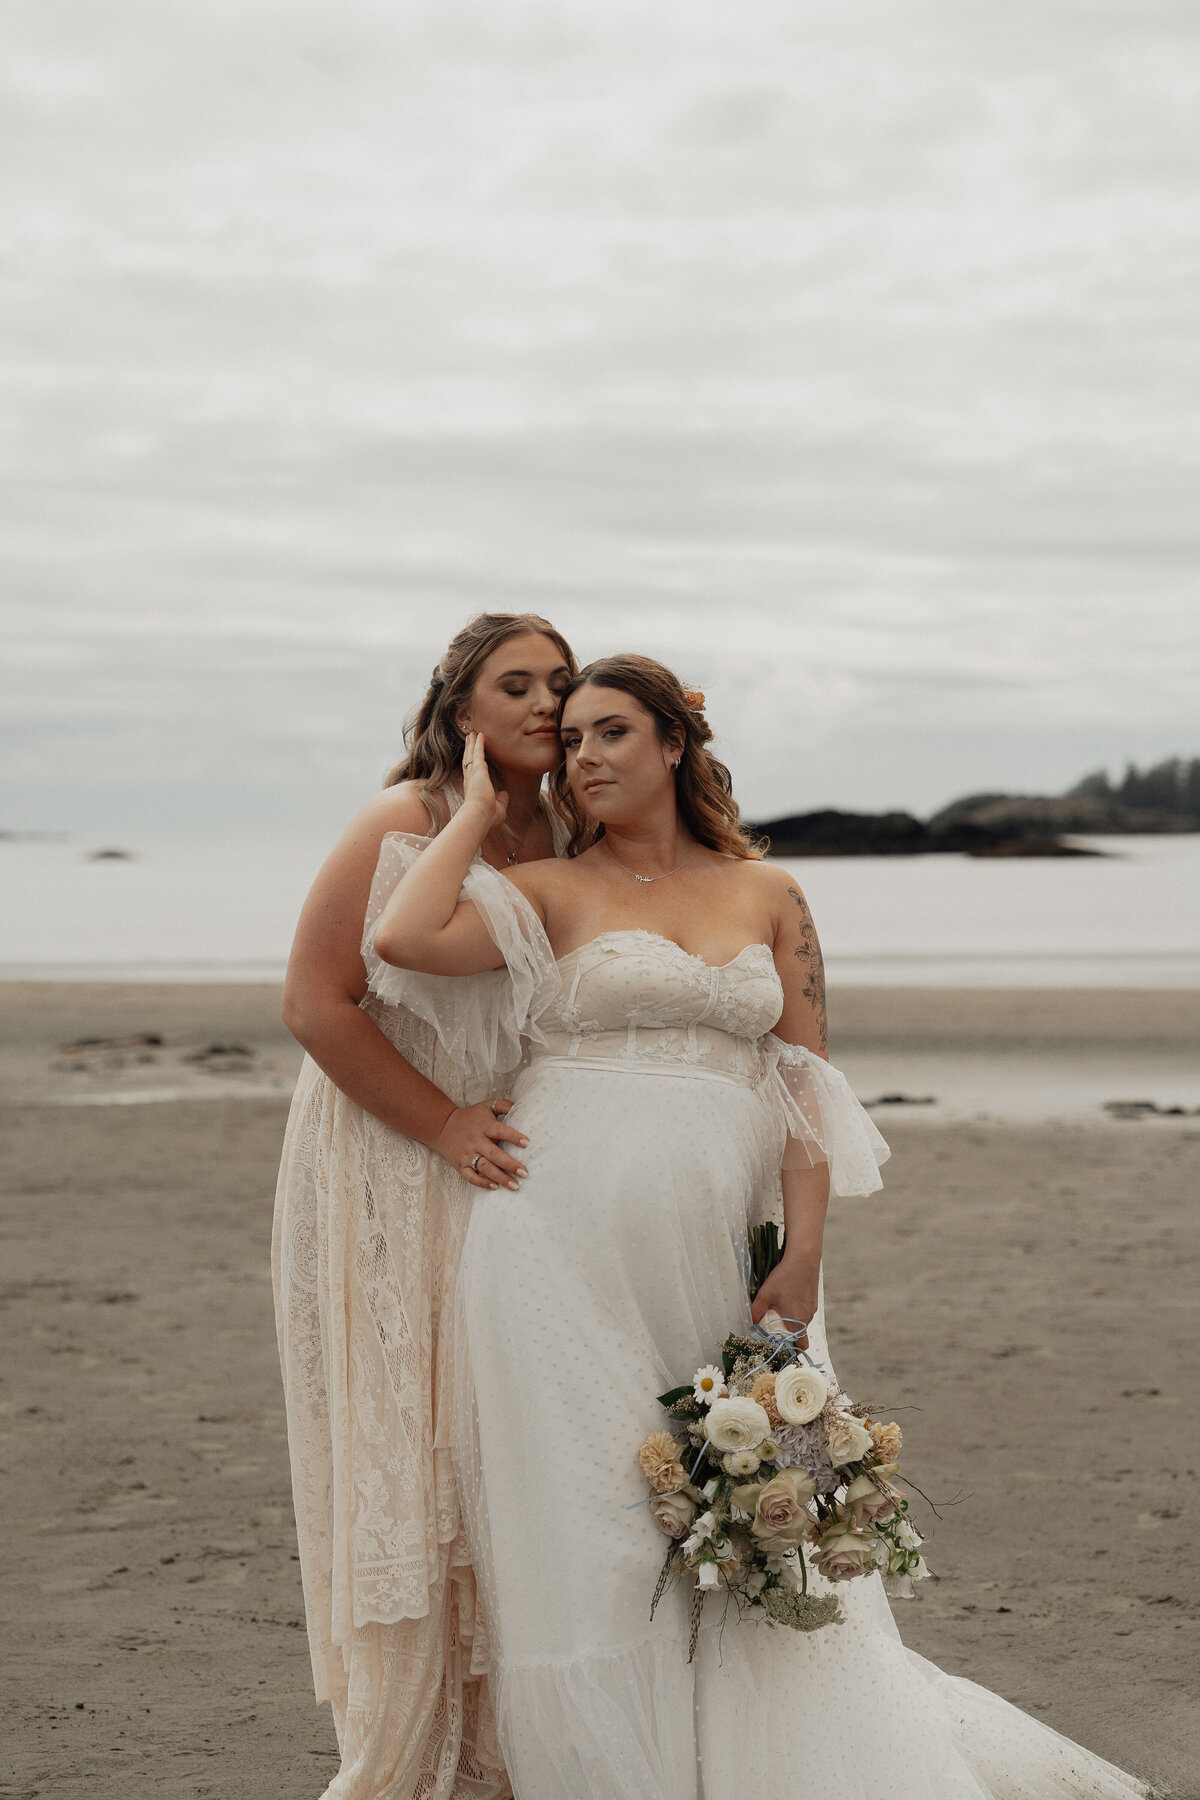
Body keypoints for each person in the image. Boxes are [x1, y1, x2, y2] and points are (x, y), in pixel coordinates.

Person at [367, 653, 1150, 1800]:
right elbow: (401, 939)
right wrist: (482, 811)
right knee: (593, 1526)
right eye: (570, 740)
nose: (582, 757)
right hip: (550, 1239)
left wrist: (806, 1250)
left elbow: (805, 1081)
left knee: (736, 1512)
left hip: (720, 1249)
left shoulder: (770, 894)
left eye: (610, 732)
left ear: (675, 742)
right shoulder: (545, 890)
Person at [273, 612, 577, 1800]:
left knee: (495, 1426)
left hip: (503, 1156)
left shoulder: (569, 828)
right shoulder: (400, 819)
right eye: (516, 684)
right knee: (412, 1431)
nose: (544, 703)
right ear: (461, 709)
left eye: (559, 682)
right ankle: (410, 1741)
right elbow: (314, 1002)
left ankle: (506, 1738)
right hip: (390, 1148)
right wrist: (440, 1123)